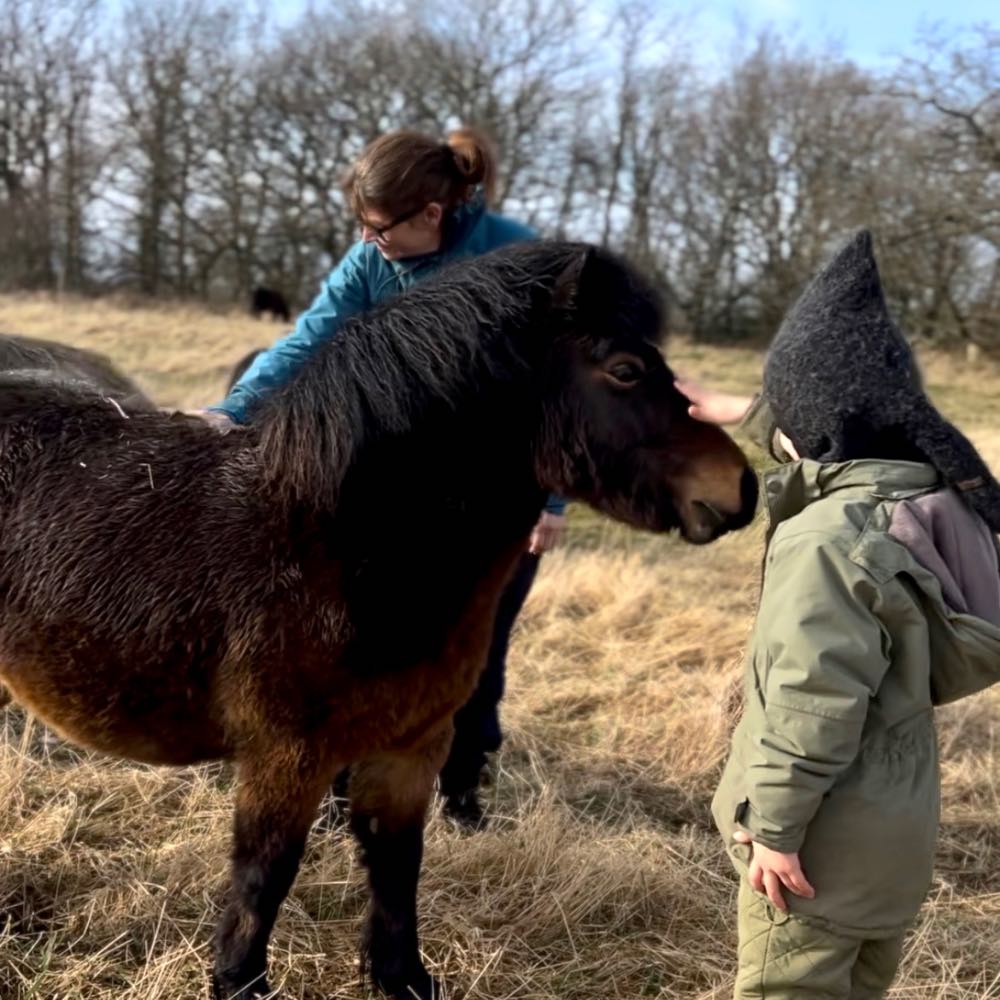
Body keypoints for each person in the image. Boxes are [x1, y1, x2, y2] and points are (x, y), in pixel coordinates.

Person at [203, 126, 567, 828]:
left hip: (494, 498)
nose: (369, 240)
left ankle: (462, 792)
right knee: (366, 646)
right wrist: (233, 409)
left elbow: (557, 390)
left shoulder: (517, 257)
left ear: (430, 214)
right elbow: (311, 337)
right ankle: (346, 793)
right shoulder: (371, 262)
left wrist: (550, 498)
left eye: (378, 227)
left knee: (474, 655)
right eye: (361, 227)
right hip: (398, 492)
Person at [694, 230, 1000, 999]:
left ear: (813, 429)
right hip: (888, 848)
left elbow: (810, 701)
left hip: (811, 858)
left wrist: (775, 828)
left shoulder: (827, 543)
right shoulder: (932, 513)